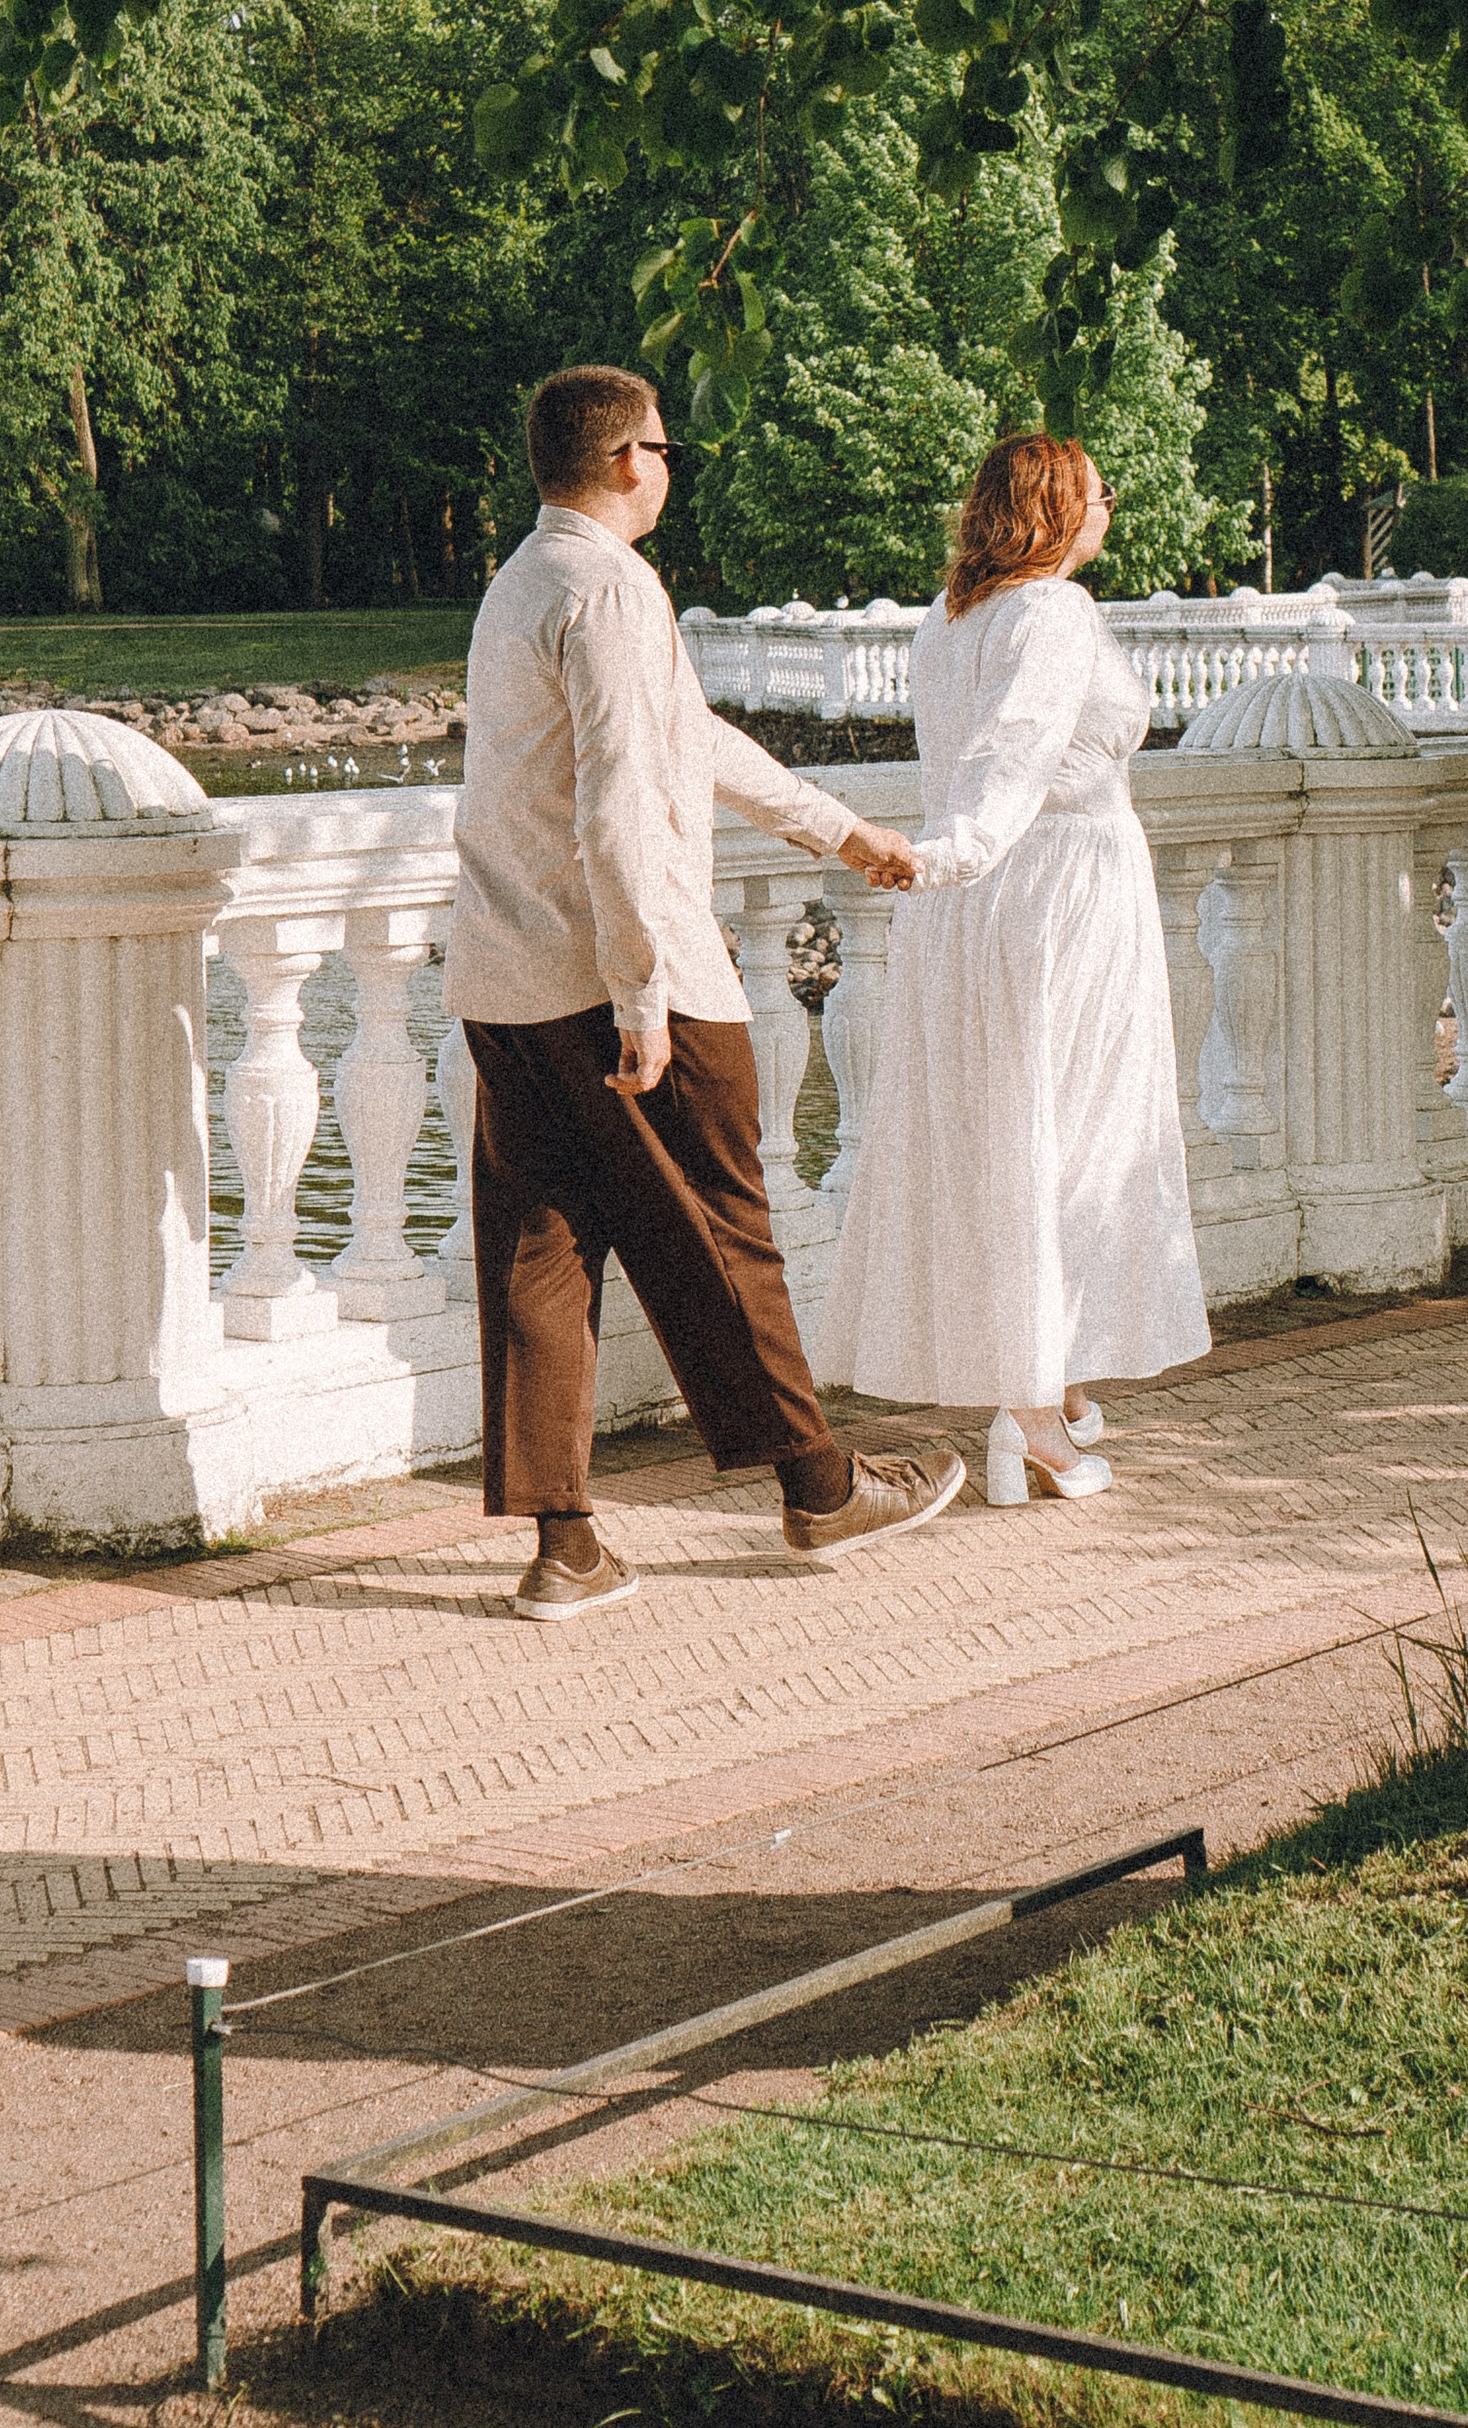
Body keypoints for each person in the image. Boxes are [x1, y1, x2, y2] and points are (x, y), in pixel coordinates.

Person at [444, 362, 965, 1618]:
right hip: (625, 980)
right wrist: (638, 993)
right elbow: (622, 808)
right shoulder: (611, 589)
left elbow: (685, 738)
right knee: (725, 1238)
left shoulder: (522, 584)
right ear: (629, 460)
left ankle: (565, 1547)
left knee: (539, 1256)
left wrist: (838, 832)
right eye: (666, 448)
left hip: (504, 982)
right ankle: (821, 1487)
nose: (670, 467)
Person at [814, 433, 1209, 1502]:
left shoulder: (952, 619)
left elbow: (978, 758)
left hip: (988, 902)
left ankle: (1051, 1382)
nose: (1108, 509)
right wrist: (949, 858)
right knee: (1064, 1136)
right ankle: (1034, 1414)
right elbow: (1014, 758)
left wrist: (949, 868)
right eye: (1097, 494)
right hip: (1053, 895)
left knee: (1017, 1132)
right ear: (1053, 509)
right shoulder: (1051, 613)